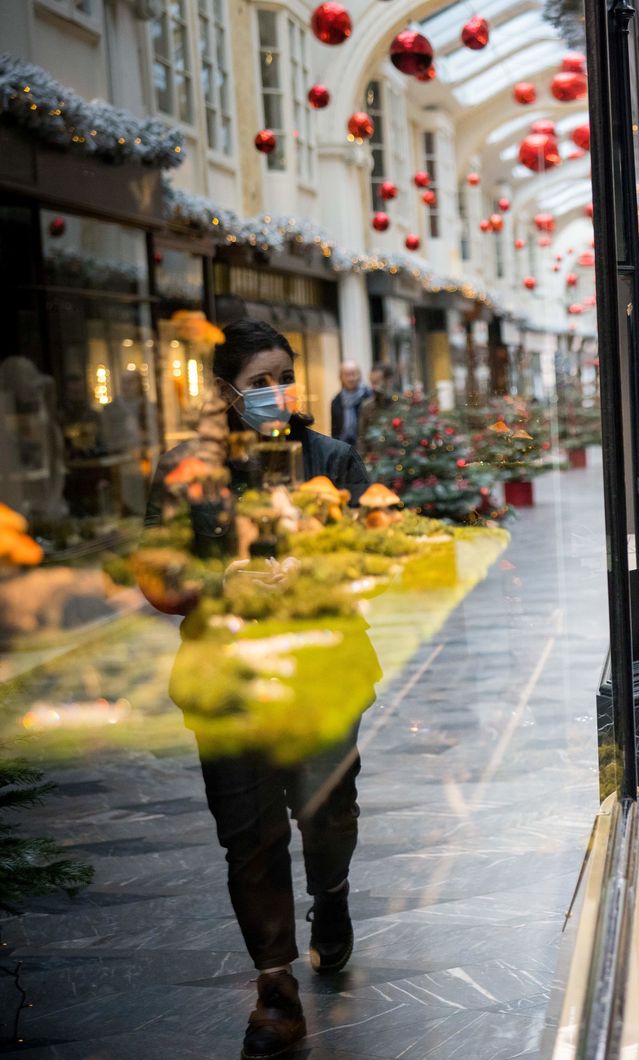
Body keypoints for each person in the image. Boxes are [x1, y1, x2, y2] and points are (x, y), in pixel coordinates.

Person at [145, 320, 373, 1060]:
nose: (275, 393)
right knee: (250, 835)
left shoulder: (331, 458)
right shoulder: (184, 471)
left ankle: (330, 897)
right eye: (259, 382)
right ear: (223, 391)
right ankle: (275, 987)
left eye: (284, 377)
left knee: (327, 812)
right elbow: (159, 577)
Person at [329, 361, 372, 451]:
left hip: (365, 446)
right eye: (347, 375)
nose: (350, 378)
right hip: (344, 447)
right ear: (341, 377)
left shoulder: (369, 396)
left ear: (359, 375)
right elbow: (335, 430)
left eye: (353, 374)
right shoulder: (336, 401)